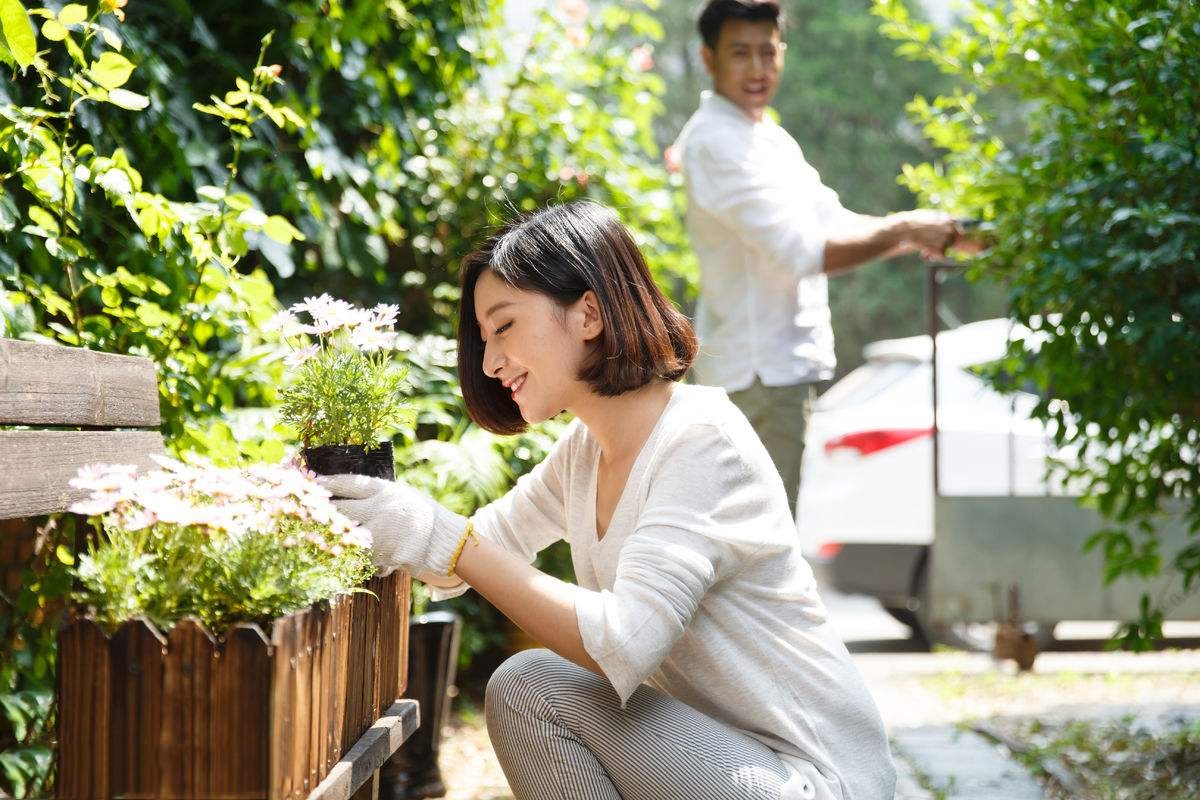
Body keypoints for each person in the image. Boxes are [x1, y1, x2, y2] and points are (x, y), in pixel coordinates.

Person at [322, 201, 896, 800]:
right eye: (485, 338)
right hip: (713, 766)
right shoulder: (586, 452)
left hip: (812, 780)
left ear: (589, 312)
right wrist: (350, 519)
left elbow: (623, 642)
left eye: (505, 326)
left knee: (532, 687)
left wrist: (445, 538)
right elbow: (468, 554)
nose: (490, 363)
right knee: (526, 688)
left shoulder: (702, 442)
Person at [672, 0, 964, 517]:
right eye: (741, 53)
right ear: (708, 58)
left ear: (783, 53)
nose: (758, 69)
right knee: (761, 547)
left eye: (768, 52)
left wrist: (927, 233)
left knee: (759, 542)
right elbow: (801, 252)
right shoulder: (716, 142)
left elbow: (833, 219)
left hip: (774, 371)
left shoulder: (766, 138)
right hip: (755, 377)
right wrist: (906, 228)